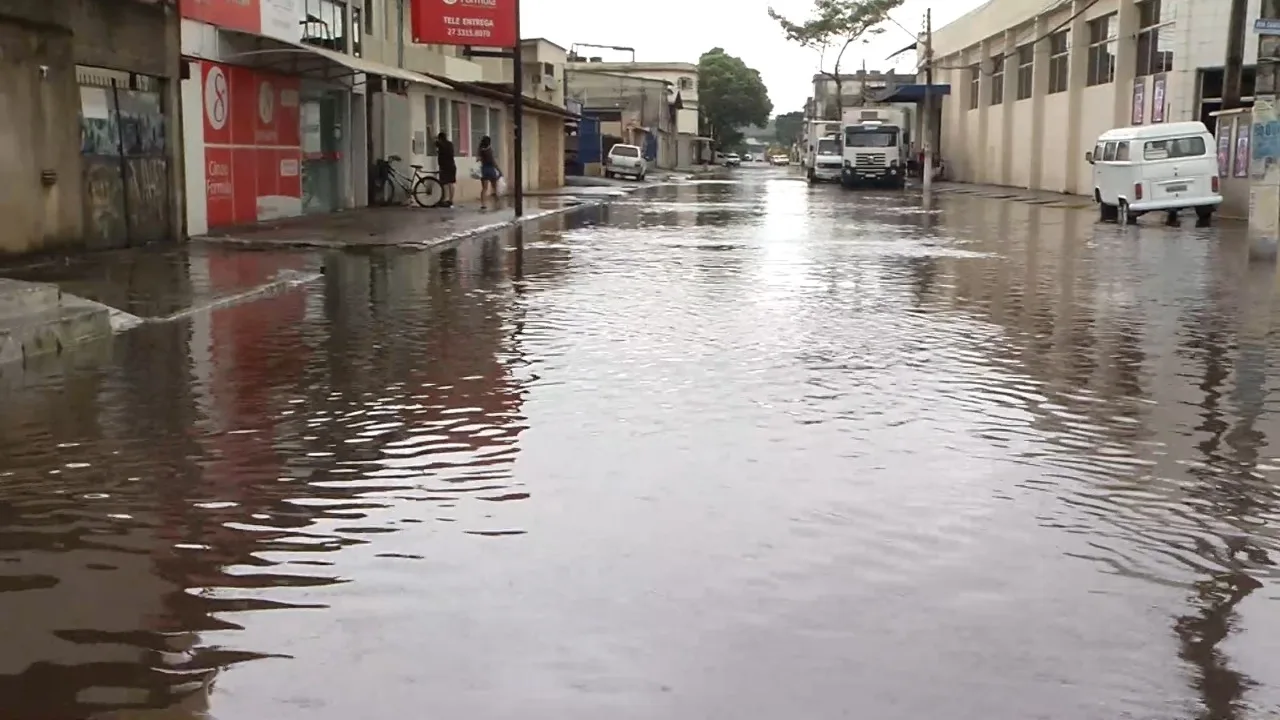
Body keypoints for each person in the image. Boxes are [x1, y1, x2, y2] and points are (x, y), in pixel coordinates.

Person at [478, 135, 500, 210]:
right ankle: (497, 203)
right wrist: (499, 170)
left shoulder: (480, 149)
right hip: (491, 169)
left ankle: (483, 204)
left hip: (484, 169)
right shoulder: (489, 150)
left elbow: (479, 159)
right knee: (494, 187)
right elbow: (493, 161)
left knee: (484, 188)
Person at [435, 132, 456, 207]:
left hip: (444, 166)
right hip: (452, 165)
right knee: (451, 183)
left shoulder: (441, 144)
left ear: (440, 138)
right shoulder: (450, 144)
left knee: (444, 183)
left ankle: (444, 199)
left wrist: (429, 130)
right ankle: (450, 200)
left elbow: (433, 141)